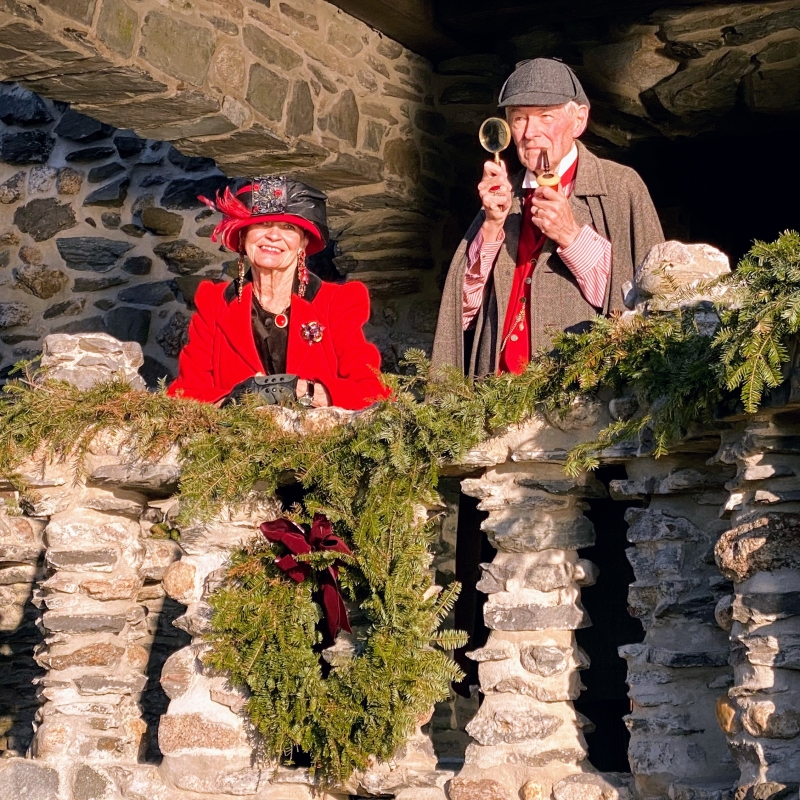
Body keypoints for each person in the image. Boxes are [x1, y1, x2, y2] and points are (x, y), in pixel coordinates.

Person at [432, 58, 664, 377]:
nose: (530, 133)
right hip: (497, 392)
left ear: (579, 120)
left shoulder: (621, 187)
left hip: (581, 391)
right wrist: (491, 226)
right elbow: (463, 313)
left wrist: (571, 236)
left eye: (546, 116)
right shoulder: (503, 195)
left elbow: (650, 299)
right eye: (519, 119)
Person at [167, 175, 388, 410]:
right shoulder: (215, 304)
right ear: (243, 236)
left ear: (303, 242)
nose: (273, 235)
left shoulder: (337, 303)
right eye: (262, 224)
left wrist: (303, 391)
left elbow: (375, 393)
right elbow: (183, 394)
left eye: (288, 227)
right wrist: (236, 401)